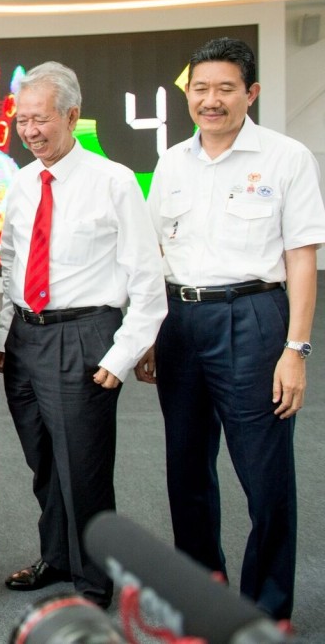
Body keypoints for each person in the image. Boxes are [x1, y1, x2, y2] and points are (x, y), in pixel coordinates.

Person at [135, 37, 325, 621]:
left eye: (225, 88)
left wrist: (295, 349)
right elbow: (156, 252)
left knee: (265, 476)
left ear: (251, 93)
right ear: (187, 93)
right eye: (200, 89)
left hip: (253, 318)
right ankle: (201, 588)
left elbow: (301, 257)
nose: (210, 100)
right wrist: (149, 332)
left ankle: (268, 608)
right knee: (186, 467)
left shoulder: (287, 157)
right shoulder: (172, 161)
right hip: (179, 322)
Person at [0, 62, 166, 609]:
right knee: (43, 462)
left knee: (84, 470)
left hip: (84, 336)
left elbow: (147, 279)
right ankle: (57, 557)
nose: (30, 131)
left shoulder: (114, 181)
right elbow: (12, 263)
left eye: (41, 119)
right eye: (22, 120)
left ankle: (94, 582)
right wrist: (2, 335)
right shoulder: (22, 183)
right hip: (25, 338)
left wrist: (121, 355)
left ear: (72, 116)